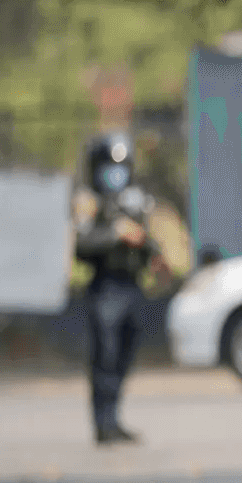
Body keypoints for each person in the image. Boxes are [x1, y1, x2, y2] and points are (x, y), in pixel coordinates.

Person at [74, 132, 165, 445]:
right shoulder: (89, 202)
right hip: (105, 287)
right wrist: (115, 232)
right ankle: (102, 423)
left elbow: (145, 241)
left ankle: (114, 417)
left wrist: (152, 252)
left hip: (132, 287)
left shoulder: (135, 200)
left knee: (125, 354)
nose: (116, 174)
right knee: (106, 355)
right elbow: (82, 245)